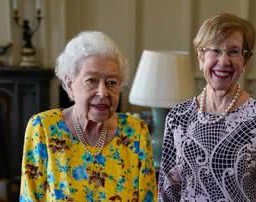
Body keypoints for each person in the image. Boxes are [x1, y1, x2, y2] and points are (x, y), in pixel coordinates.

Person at [158, 13, 256, 201]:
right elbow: (167, 191)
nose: (224, 61)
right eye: (215, 51)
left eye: (234, 51)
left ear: (245, 61)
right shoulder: (178, 117)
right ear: (201, 57)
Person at [20, 31, 157, 201]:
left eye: (112, 82)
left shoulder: (135, 131)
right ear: (70, 85)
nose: (102, 92)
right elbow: (30, 197)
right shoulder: (43, 128)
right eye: (91, 80)